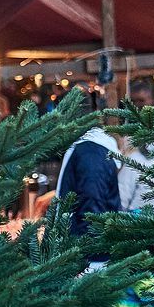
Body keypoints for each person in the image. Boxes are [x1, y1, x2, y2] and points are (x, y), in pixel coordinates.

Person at [55, 95, 124, 234]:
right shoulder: (86, 148)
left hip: (89, 249)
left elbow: (92, 207)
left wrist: (82, 248)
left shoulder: (90, 153)